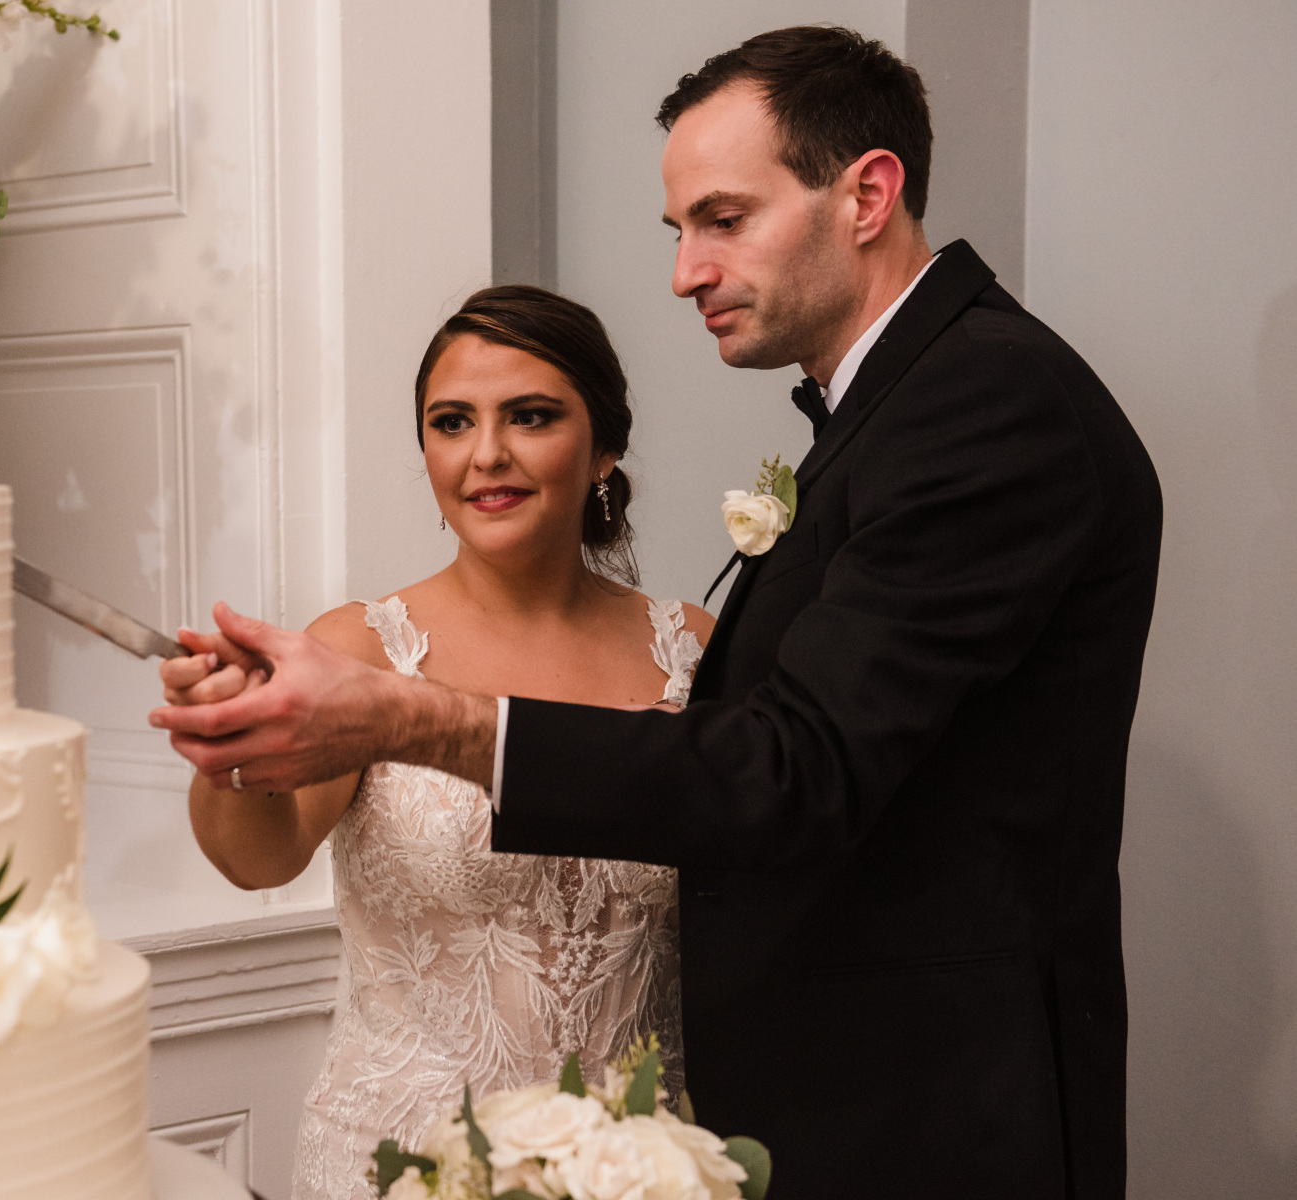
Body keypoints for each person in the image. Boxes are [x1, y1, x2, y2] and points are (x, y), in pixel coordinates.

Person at [153, 26, 1161, 1200]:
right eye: (679, 230)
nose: (686, 272)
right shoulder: (903, 407)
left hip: (925, 1116)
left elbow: (791, 773)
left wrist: (415, 721)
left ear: (866, 195)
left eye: (723, 220)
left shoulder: (980, 402)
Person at [161, 286, 712, 1200]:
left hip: (638, 1169)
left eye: (530, 416)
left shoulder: (693, 650)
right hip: (403, 1165)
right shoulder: (361, 649)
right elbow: (261, 858)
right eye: (452, 423)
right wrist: (227, 748)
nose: (486, 454)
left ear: (605, 447)